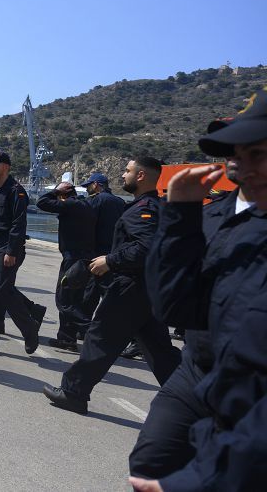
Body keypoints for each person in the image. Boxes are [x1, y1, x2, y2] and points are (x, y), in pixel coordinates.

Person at [129, 102, 267, 485]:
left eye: (256, 153)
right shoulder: (214, 214)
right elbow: (173, 305)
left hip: (253, 395)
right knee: (149, 463)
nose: (241, 165)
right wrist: (180, 213)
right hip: (200, 372)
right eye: (236, 153)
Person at [42, 157, 181, 415]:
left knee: (99, 338)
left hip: (131, 287)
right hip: (147, 288)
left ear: (141, 176)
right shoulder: (153, 205)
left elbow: (146, 248)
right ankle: (193, 402)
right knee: (160, 352)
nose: (123, 174)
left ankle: (74, 393)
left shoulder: (144, 209)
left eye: (127, 171)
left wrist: (110, 260)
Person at [0, 152, 44, 354]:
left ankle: (29, 329)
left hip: (7, 245)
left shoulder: (16, 191)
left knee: (1, 290)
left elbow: (18, 224)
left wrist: (12, 250)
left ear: (6, 167)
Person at [36, 181, 95, 351]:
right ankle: (67, 338)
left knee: (64, 301)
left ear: (65, 194)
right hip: (82, 257)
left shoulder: (71, 204)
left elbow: (42, 203)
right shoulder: (85, 205)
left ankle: (93, 330)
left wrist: (55, 190)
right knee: (73, 299)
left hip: (73, 258)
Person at [80, 171, 126, 342]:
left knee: (89, 294)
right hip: (113, 256)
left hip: (95, 254)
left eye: (88, 186)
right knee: (103, 294)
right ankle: (86, 329)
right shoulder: (121, 202)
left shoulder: (96, 200)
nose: (87, 190)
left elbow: (86, 223)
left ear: (97, 185)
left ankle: (84, 328)